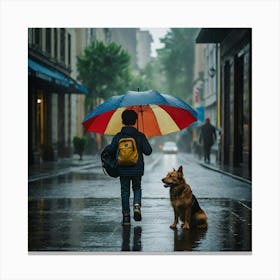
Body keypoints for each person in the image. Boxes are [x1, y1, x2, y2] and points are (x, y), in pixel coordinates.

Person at [107, 109, 152, 226]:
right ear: (135, 121)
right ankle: (137, 206)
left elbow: (111, 150)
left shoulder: (118, 136)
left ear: (122, 121)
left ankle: (126, 217)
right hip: (137, 169)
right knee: (137, 188)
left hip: (122, 169)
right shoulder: (140, 135)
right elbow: (148, 151)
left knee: (125, 192)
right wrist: (142, 140)